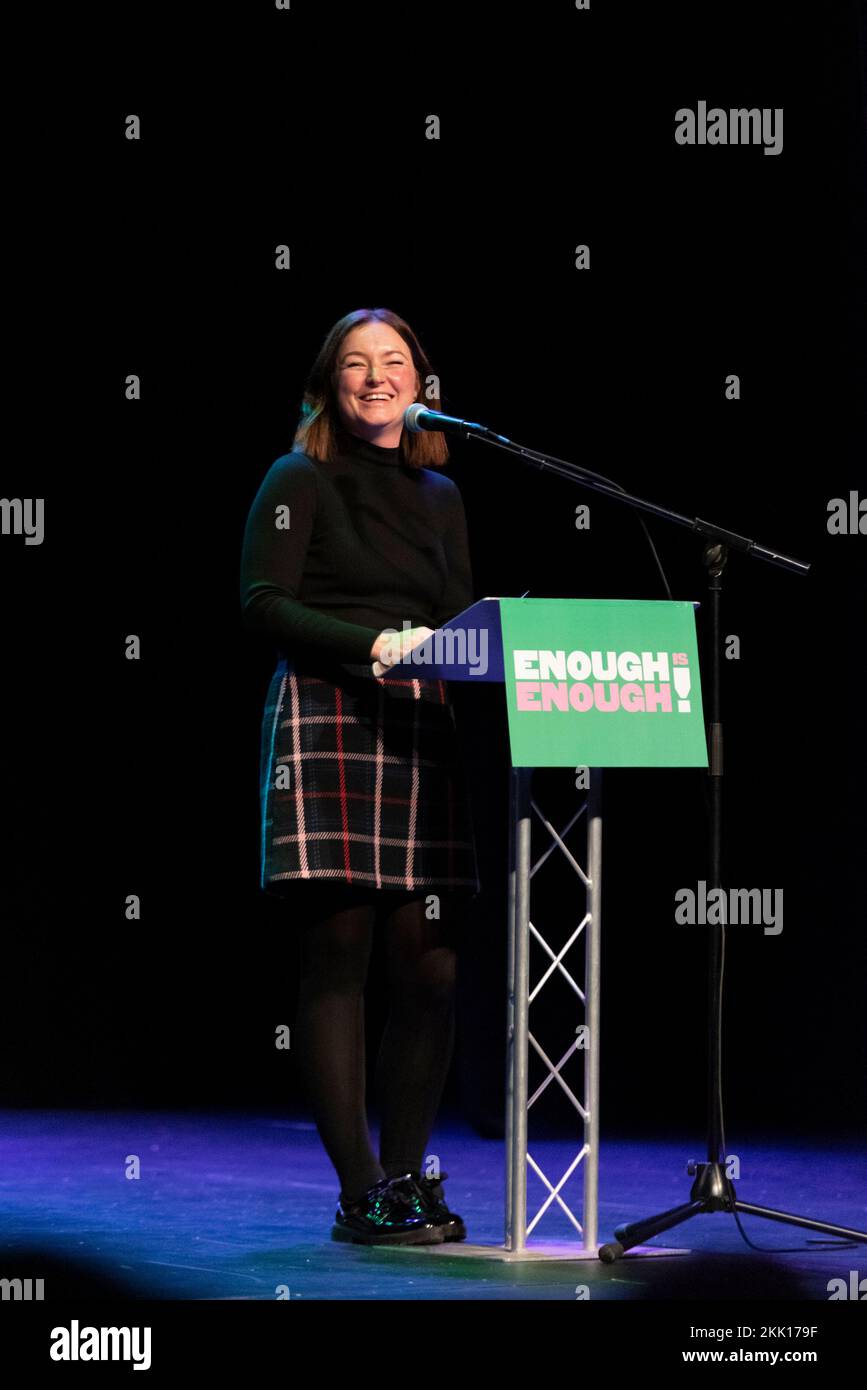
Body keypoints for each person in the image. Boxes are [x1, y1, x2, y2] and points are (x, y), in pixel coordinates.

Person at [239, 308, 481, 1245]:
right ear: (328, 383)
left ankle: (407, 1182)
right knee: (336, 955)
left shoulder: (439, 496)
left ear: (422, 382)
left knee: (430, 968)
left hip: (421, 724)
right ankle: (360, 1194)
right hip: (329, 714)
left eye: (393, 362)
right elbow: (262, 604)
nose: (375, 377)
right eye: (355, 363)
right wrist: (375, 644)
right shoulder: (297, 477)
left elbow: (459, 619)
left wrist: (492, 643)